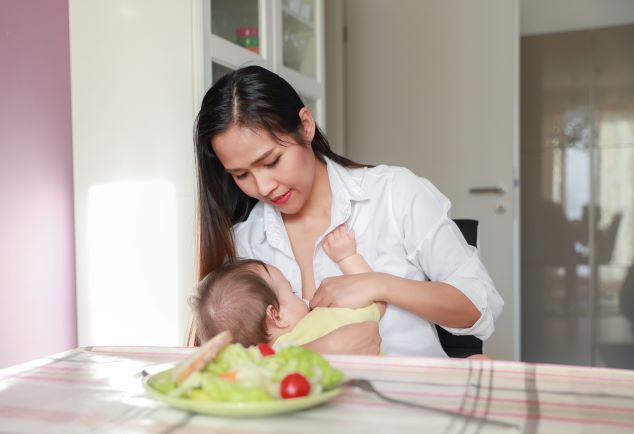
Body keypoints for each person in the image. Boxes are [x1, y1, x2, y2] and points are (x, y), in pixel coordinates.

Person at [188, 65, 504, 356]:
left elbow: (478, 307)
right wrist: (323, 348)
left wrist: (379, 284)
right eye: (242, 175)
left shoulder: (394, 194)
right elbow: (230, 364)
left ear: (306, 126)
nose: (263, 186)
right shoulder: (244, 244)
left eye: (271, 162)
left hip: (408, 402)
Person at [192, 226, 384, 348]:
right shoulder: (316, 324)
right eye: (292, 292)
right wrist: (347, 258)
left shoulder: (262, 363)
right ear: (276, 316)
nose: (302, 297)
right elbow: (377, 300)